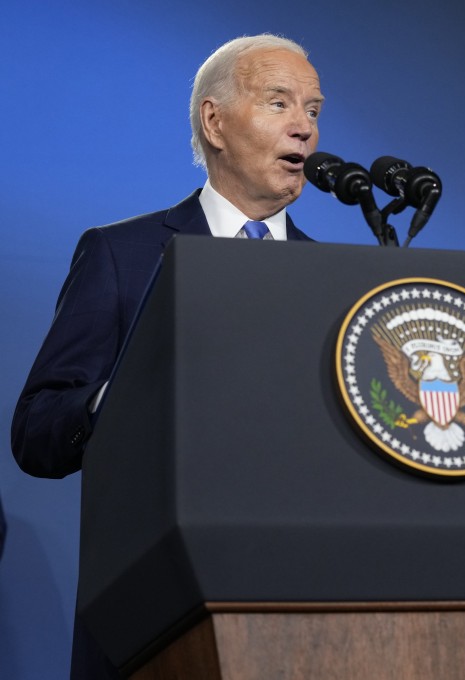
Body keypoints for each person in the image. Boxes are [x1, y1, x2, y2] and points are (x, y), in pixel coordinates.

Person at [10, 34, 324, 679]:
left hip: (306, 619)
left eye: (314, 111)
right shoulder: (121, 256)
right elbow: (37, 432)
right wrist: (119, 396)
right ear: (215, 121)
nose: (304, 129)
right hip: (157, 626)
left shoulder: (333, 276)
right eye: (279, 104)